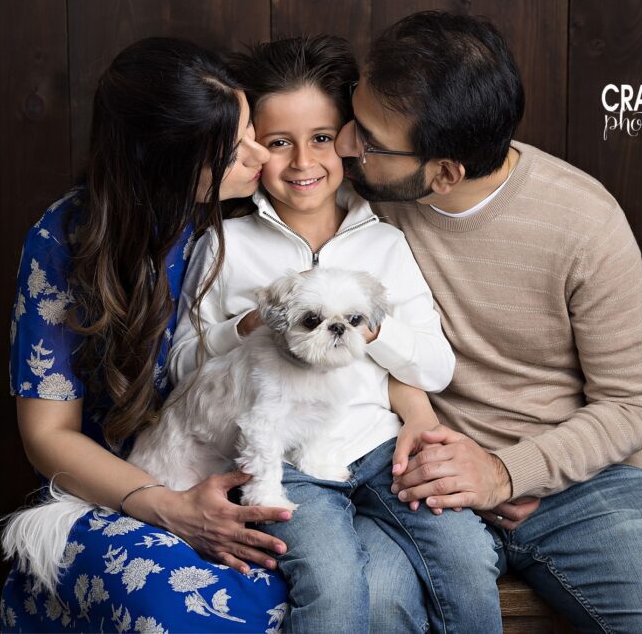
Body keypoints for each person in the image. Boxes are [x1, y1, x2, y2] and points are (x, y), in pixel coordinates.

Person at [330, 10, 642, 633]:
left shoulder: (584, 222)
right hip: (412, 480)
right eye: (353, 116)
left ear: (444, 173)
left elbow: (632, 406)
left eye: (370, 141)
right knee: (372, 603)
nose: (344, 144)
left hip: (579, 485)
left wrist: (505, 473)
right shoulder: (353, 196)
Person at [167, 34, 503, 633]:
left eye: (322, 138)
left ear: (349, 139)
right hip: (285, 457)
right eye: (279, 142)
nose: (303, 162)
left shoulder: (386, 242)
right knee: (334, 582)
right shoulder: (224, 245)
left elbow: (435, 368)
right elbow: (181, 365)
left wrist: (369, 329)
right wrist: (248, 324)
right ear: (253, 147)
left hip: (382, 447)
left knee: (467, 556)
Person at [0, 37, 292, 633]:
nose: (260, 155)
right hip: (109, 490)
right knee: (175, 607)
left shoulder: (257, 205)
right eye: (231, 152)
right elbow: (47, 435)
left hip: (233, 460)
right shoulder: (66, 241)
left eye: (250, 132)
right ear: (167, 162)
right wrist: (169, 507)